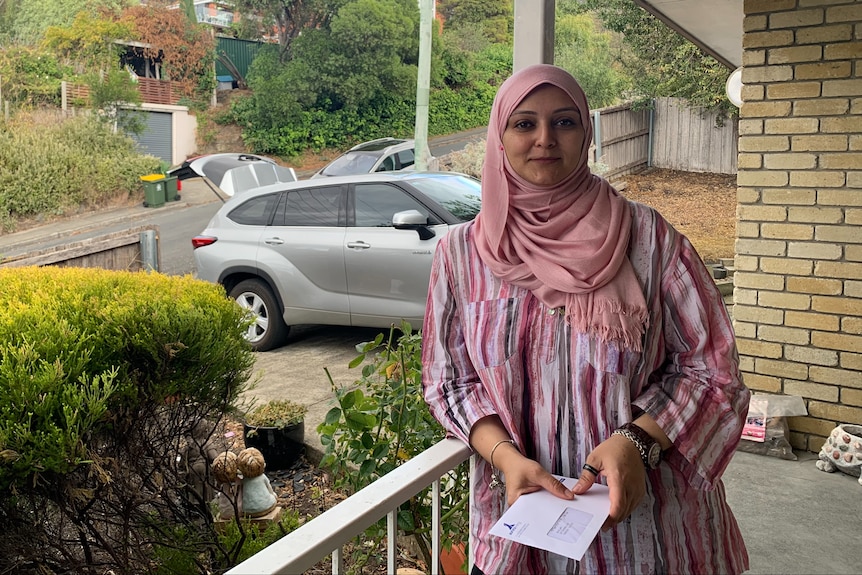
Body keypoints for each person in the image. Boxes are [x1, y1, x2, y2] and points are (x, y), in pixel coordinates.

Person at [421, 64, 750, 574]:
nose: (544, 139)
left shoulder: (650, 241)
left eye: (565, 122)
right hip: (523, 532)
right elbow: (450, 382)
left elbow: (715, 373)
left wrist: (637, 442)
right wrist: (505, 456)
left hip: (649, 536)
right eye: (524, 124)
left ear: (587, 134)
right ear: (500, 137)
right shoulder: (462, 255)